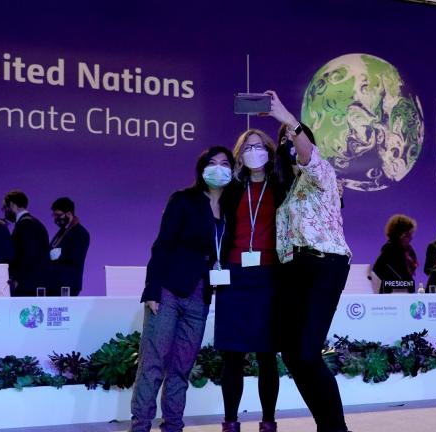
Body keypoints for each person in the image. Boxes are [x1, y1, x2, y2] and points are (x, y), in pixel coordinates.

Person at [130, 146, 235, 432]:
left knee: (181, 368)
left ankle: (173, 426)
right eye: (212, 163)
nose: (218, 168)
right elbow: (162, 245)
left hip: (200, 297)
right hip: (168, 292)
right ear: (201, 168)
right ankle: (140, 426)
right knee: (152, 364)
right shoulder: (184, 200)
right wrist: (151, 289)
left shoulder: (231, 210)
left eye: (225, 163)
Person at [269, 90, 353, 432]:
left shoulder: (323, 175)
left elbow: (310, 159)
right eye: (285, 140)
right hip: (292, 269)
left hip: (324, 265)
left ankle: (337, 429)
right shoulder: (286, 190)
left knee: (307, 353)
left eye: (294, 137)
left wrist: (288, 120)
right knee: (290, 354)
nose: (290, 142)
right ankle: (325, 425)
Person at [213, 128, 288, 432]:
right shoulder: (231, 189)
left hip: (270, 276)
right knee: (232, 355)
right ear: (239, 156)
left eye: (259, 147)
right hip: (234, 275)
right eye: (247, 148)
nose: (253, 152)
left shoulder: (282, 185)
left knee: (267, 355)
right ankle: (230, 421)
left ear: (270, 151)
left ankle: (268, 421)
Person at [3, 190, 51, 296]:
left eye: (5, 207)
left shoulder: (26, 223)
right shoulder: (31, 222)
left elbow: (29, 255)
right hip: (31, 283)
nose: (5, 212)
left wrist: (17, 278)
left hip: (27, 286)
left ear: (11, 204)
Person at [48, 197, 90, 296]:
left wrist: (57, 257)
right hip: (55, 284)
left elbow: (75, 258)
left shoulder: (80, 233)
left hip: (68, 285)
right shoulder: (63, 231)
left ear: (69, 213)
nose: (55, 218)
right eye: (54, 215)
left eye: (58, 215)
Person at [372, 214, 418, 294]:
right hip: (390, 294)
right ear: (399, 235)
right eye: (408, 235)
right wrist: (395, 281)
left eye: (411, 234)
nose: (411, 238)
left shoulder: (409, 251)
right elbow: (377, 269)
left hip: (407, 292)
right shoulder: (389, 249)